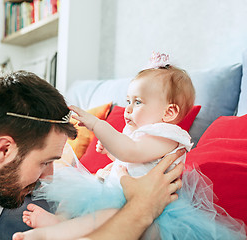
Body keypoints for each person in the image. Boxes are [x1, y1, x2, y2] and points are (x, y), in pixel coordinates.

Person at [0, 70, 184, 240]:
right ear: (4, 149)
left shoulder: (11, 181)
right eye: (45, 163)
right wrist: (142, 207)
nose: (50, 177)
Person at [14, 55, 246, 240]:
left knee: (106, 217)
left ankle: (48, 234)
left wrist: (97, 124)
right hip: (117, 189)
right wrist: (111, 151)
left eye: (138, 102)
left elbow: (132, 152)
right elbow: (129, 154)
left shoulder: (169, 136)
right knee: (75, 193)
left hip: (149, 206)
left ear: (169, 112)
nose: (128, 109)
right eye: (127, 101)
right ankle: (60, 220)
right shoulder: (138, 133)